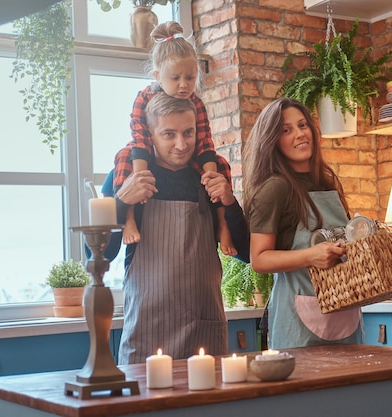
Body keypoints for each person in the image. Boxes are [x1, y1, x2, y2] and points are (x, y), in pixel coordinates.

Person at [114, 92, 249, 364]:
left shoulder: (208, 177)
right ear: (150, 135)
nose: (181, 144)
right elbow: (100, 254)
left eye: (188, 132)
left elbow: (246, 252)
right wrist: (120, 202)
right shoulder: (131, 174)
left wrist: (230, 202)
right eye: (168, 134)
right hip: (146, 335)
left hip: (203, 331)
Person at [242, 97, 363, 349]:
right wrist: (311, 256)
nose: (299, 134)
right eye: (286, 130)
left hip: (346, 314)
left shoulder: (326, 181)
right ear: (272, 140)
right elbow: (259, 259)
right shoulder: (275, 189)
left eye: (302, 125)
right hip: (299, 320)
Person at [113, 20, 236, 256]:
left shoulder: (197, 102)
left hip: (203, 289)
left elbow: (205, 143)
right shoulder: (144, 98)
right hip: (143, 156)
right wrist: (137, 181)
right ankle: (129, 219)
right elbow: (139, 138)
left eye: (190, 78)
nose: (183, 85)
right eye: (176, 78)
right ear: (158, 75)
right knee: (124, 156)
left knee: (220, 166)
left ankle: (222, 225)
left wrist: (212, 179)